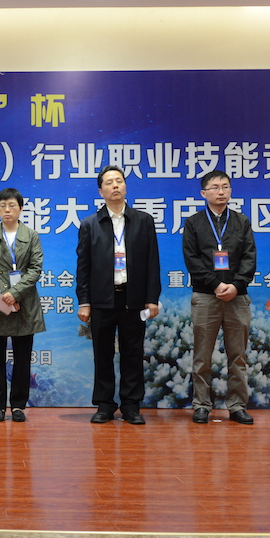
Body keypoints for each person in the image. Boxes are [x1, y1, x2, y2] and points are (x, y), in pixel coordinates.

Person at [76, 165, 160, 425]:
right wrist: (84, 301)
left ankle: (131, 405)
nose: (115, 185)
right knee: (102, 354)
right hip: (102, 299)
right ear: (100, 191)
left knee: (132, 353)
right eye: (109, 182)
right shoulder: (90, 224)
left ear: (125, 186)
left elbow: (152, 262)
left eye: (119, 181)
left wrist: (152, 298)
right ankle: (105, 405)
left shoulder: (143, 221)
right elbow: (83, 267)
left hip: (133, 298)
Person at [181, 170, 257, 425]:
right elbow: (192, 259)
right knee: (202, 355)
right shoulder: (193, 223)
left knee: (238, 356)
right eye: (215, 187)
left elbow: (249, 257)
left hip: (237, 297)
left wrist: (236, 285)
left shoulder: (241, 221)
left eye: (225, 186)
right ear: (204, 193)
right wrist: (215, 284)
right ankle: (202, 404)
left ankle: (237, 405)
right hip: (206, 296)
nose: (221, 191)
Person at [0, 187, 45, 423]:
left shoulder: (31, 235)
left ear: (21, 208)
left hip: (24, 302)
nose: (7, 209)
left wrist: (15, 293)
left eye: (12, 205)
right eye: (2, 205)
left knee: (22, 358)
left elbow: (35, 269)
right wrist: (5, 293)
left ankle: (18, 405)